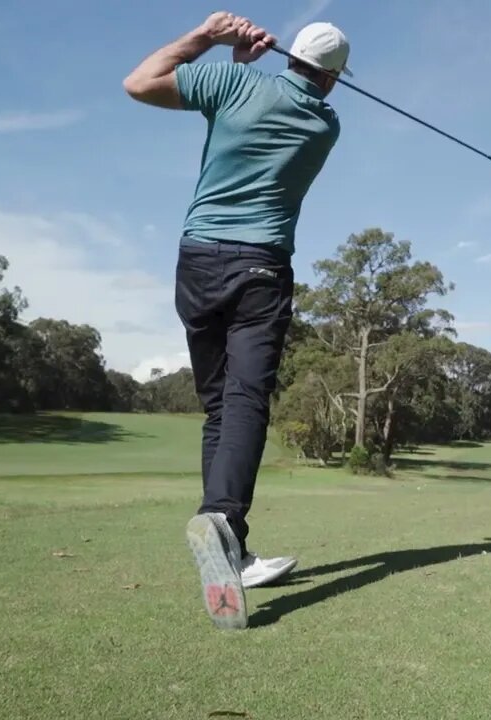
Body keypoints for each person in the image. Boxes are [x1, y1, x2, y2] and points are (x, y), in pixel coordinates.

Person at [123, 12, 349, 630]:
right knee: (247, 399)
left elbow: (140, 83)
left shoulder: (229, 83)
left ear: (288, 57)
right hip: (261, 268)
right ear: (331, 79)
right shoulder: (324, 124)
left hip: (196, 261)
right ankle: (223, 523)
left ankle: (231, 544)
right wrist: (247, 69)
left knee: (221, 407)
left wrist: (210, 41)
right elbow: (290, 99)